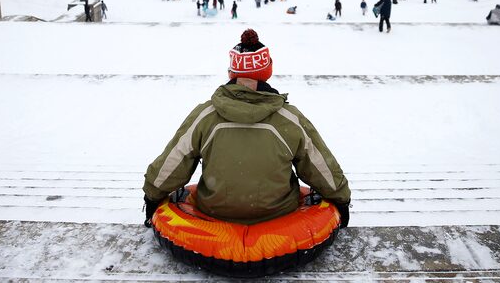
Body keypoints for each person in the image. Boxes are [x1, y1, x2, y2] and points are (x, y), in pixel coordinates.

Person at [143, 29, 350, 228]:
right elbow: (321, 166)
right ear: (267, 71)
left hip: (216, 212)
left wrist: (153, 195)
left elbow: (171, 164)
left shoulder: (205, 116)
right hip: (277, 214)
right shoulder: (289, 119)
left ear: (232, 72)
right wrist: (340, 199)